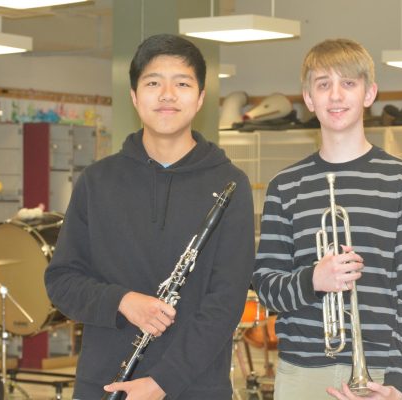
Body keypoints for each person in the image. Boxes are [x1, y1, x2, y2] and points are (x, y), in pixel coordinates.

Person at [44, 33, 255, 400]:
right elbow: (62, 281)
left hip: (196, 386)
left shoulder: (231, 183)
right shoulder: (96, 181)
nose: (167, 95)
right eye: (154, 82)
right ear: (134, 96)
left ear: (201, 97)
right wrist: (122, 301)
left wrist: (163, 382)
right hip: (105, 383)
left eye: (183, 83)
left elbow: (227, 302)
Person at [252, 38, 402, 400]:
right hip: (303, 372)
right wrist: (314, 279)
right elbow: (266, 286)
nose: (336, 96)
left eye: (349, 83)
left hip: (384, 373)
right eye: (323, 84)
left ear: (370, 94)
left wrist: (398, 383)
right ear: (308, 99)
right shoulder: (286, 185)